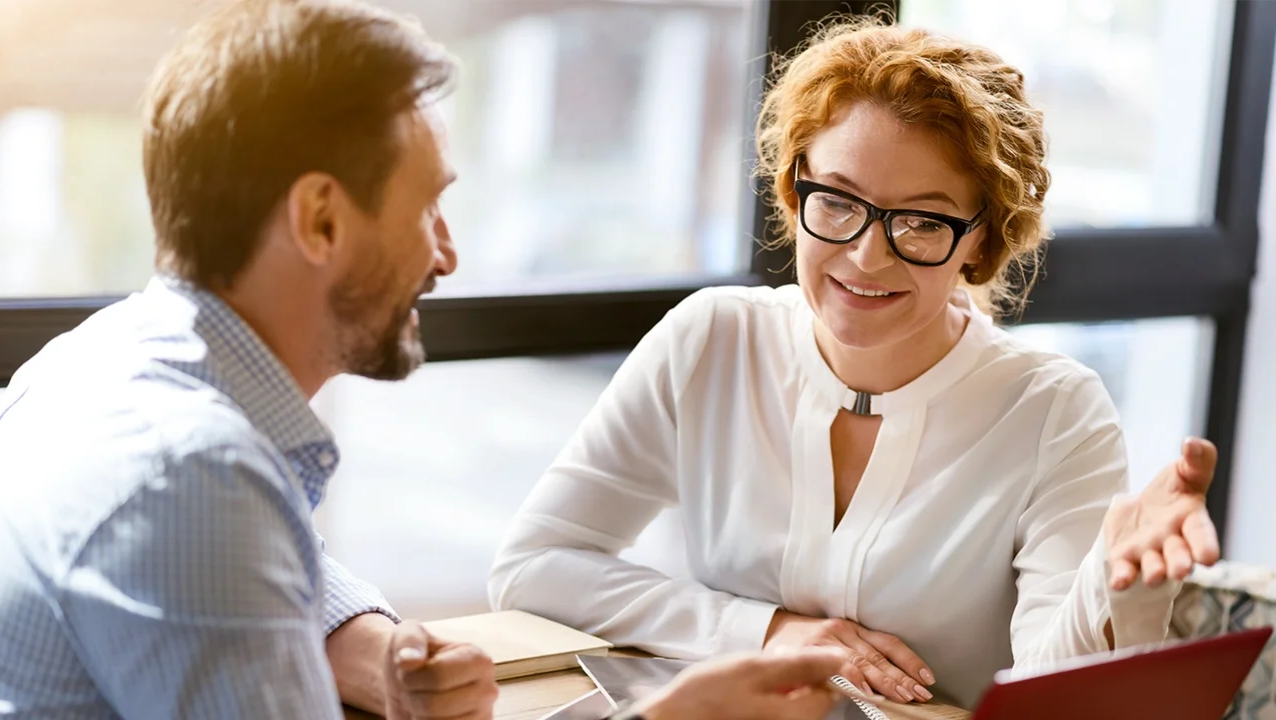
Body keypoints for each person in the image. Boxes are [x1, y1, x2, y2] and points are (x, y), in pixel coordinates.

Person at [0, 1, 850, 719]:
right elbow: (208, 527)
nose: (446, 254)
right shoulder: (196, 479)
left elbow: (246, 554)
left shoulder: (96, 363)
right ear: (321, 220)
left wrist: (366, 645)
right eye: (429, 207)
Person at [488, 16, 1223, 711]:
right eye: (838, 202)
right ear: (794, 184)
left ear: (978, 240)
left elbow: (1043, 694)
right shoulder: (711, 338)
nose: (866, 255)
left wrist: (1115, 582)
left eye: (920, 221)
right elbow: (533, 565)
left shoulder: (1054, 411)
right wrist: (773, 632)